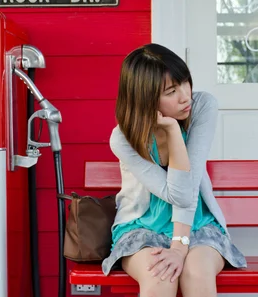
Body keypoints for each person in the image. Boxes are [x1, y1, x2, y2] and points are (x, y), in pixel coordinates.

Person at [102, 43, 247, 297]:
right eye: (171, 91)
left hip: (199, 225)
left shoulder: (202, 106)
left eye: (184, 82)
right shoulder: (123, 139)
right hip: (142, 228)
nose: (184, 96)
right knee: (159, 278)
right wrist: (170, 129)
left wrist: (180, 247)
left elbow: (186, 191)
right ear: (145, 98)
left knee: (196, 272)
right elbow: (175, 194)